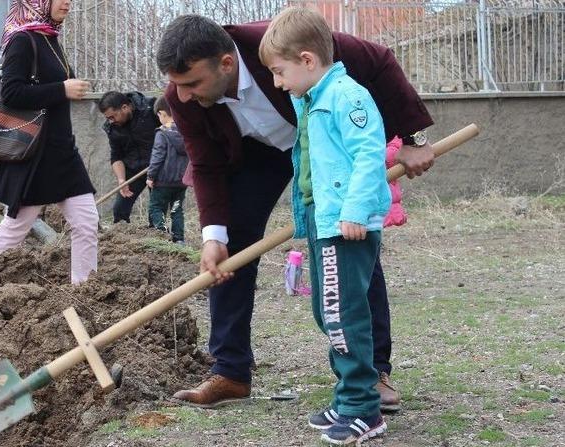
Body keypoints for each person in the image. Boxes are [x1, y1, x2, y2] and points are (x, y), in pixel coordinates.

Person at [156, 15, 435, 411]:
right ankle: (231, 371)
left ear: (226, 64)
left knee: (348, 238)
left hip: (321, 144)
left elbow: (378, 61)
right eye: (178, 85)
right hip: (255, 155)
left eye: (193, 84)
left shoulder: (282, 42)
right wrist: (213, 236)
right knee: (231, 246)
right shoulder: (181, 94)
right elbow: (205, 164)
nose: (181, 96)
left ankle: (371, 372)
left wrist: (412, 136)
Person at [260, 7, 391, 446]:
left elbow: (369, 155)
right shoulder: (314, 98)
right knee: (327, 311)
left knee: (342, 313)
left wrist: (355, 211)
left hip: (345, 224)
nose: (277, 83)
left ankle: (363, 407)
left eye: (279, 72)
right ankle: (348, 395)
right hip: (325, 220)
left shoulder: (346, 96)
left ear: (307, 60)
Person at [0, 0, 98, 285]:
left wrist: (67, 87)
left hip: (63, 151)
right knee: (16, 228)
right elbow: (12, 93)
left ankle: (85, 290)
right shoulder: (22, 40)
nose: (67, 2)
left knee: (87, 221)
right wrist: (62, 89)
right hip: (35, 154)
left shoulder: (50, 38)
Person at [98, 91, 161, 224]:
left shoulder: (150, 108)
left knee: (156, 211)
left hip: (157, 167)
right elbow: (116, 156)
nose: (111, 121)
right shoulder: (112, 128)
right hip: (133, 169)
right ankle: (121, 234)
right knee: (119, 211)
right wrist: (122, 180)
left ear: (125, 107)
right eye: (108, 118)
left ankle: (157, 233)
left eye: (113, 116)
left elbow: (170, 129)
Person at [146, 95, 190, 244]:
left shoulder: (162, 133)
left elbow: (157, 156)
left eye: (158, 116)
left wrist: (150, 176)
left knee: (156, 207)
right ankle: (179, 240)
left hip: (163, 181)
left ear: (162, 113)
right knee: (176, 209)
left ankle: (162, 237)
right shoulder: (186, 132)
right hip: (181, 182)